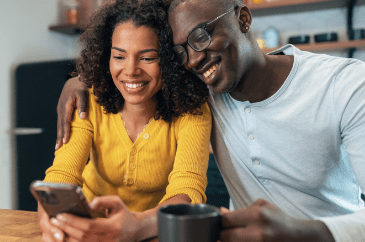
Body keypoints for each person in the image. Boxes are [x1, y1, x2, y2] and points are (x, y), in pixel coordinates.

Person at [56, 0, 365, 241]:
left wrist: (302, 234)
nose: (192, 60)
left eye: (201, 36)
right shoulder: (201, 92)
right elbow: (133, 71)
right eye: (180, 51)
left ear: (243, 18)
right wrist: (79, 81)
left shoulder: (348, 85)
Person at [39, 0, 213, 241]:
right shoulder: (89, 101)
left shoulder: (192, 110)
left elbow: (188, 188)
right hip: (90, 229)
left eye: (148, 58)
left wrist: (137, 225)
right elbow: (61, 175)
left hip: (154, 232)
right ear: (105, 57)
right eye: (119, 56)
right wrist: (51, 216)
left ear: (170, 59)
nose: (130, 70)